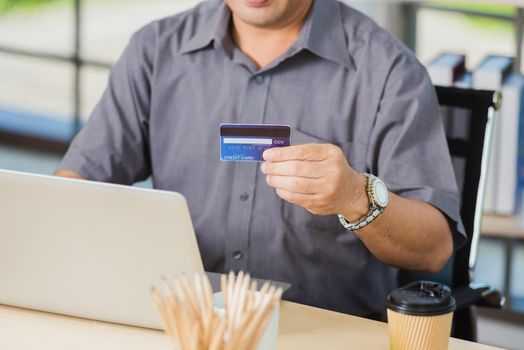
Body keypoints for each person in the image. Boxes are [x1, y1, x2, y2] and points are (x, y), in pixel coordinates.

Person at [56, 0, 465, 319]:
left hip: (324, 329)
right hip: (184, 321)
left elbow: (432, 250)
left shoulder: (390, 71)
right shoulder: (155, 50)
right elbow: (77, 182)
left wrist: (354, 196)